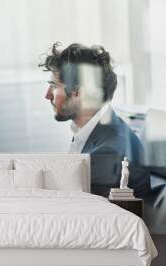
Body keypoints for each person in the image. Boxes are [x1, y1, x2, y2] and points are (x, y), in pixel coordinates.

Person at [39, 42, 150, 197]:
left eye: (53, 86)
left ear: (78, 92)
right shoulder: (96, 132)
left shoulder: (107, 153)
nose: (47, 95)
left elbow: (75, 214)